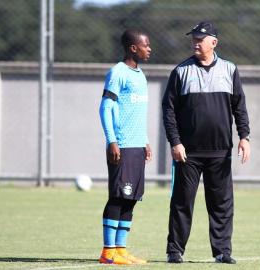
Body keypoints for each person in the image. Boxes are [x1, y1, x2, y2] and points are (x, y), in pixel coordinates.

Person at [162, 21, 251, 264]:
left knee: (221, 204)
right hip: (187, 152)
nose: (195, 42)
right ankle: (175, 250)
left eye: (200, 39)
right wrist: (175, 142)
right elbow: (168, 111)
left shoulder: (230, 70)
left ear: (214, 42)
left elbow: (239, 107)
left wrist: (244, 136)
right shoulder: (180, 71)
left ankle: (222, 252)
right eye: (193, 39)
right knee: (182, 202)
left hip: (221, 151)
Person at [98, 29, 152, 265]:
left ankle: (121, 250)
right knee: (118, 197)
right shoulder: (117, 73)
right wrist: (112, 140)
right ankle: (108, 251)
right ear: (133, 48)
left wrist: (145, 140)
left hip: (137, 146)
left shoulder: (140, 75)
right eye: (145, 45)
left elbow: (136, 113)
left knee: (131, 199)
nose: (149, 49)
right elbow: (105, 108)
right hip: (122, 145)